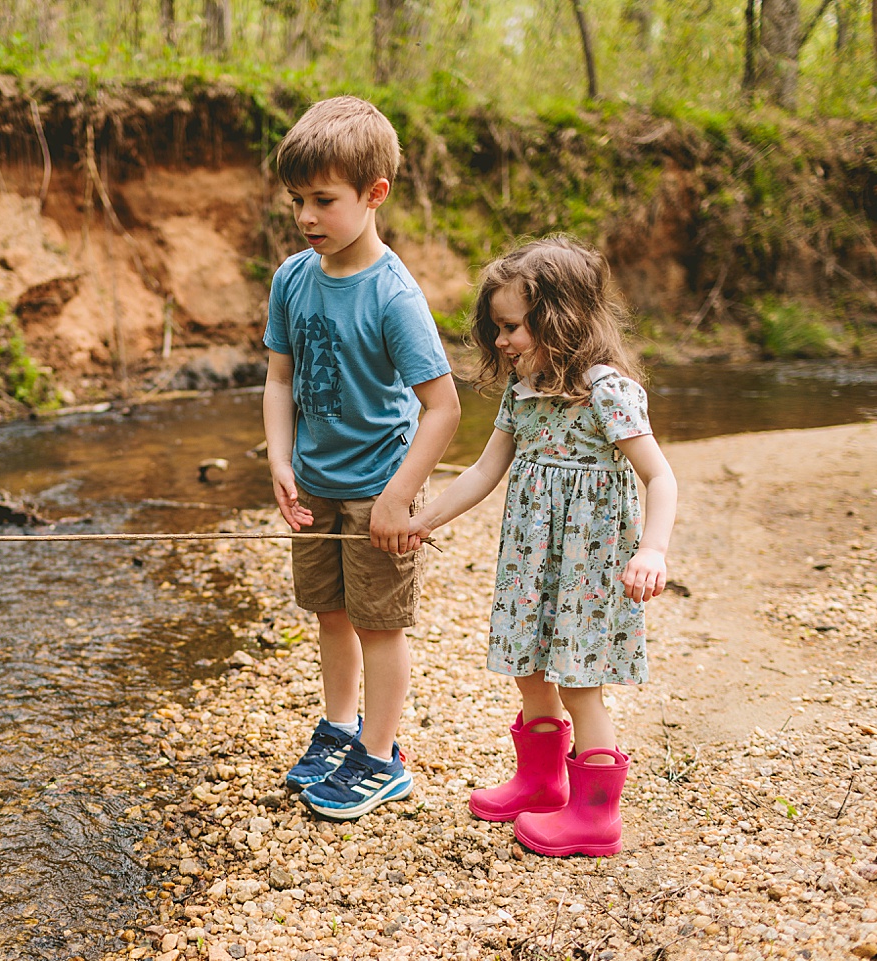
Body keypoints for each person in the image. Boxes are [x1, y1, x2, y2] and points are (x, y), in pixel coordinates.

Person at [405, 235, 677, 857]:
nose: (501, 341)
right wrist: (426, 518)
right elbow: (481, 472)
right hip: (531, 563)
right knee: (528, 666)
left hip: (590, 567)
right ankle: (540, 782)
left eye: (512, 327)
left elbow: (660, 476)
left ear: (562, 319)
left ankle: (595, 814)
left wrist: (652, 551)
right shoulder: (523, 391)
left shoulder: (605, 390)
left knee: (580, 683)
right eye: (497, 328)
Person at [263, 96, 461, 821]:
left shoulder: (393, 296)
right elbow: (280, 377)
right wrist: (280, 459)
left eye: (323, 200)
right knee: (330, 613)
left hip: (379, 486)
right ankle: (339, 728)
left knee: (380, 622)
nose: (307, 217)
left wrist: (398, 498)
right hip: (314, 483)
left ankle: (380, 759)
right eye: (296, 201)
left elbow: (444, 408)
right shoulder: (292, 278)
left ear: (374, 195)